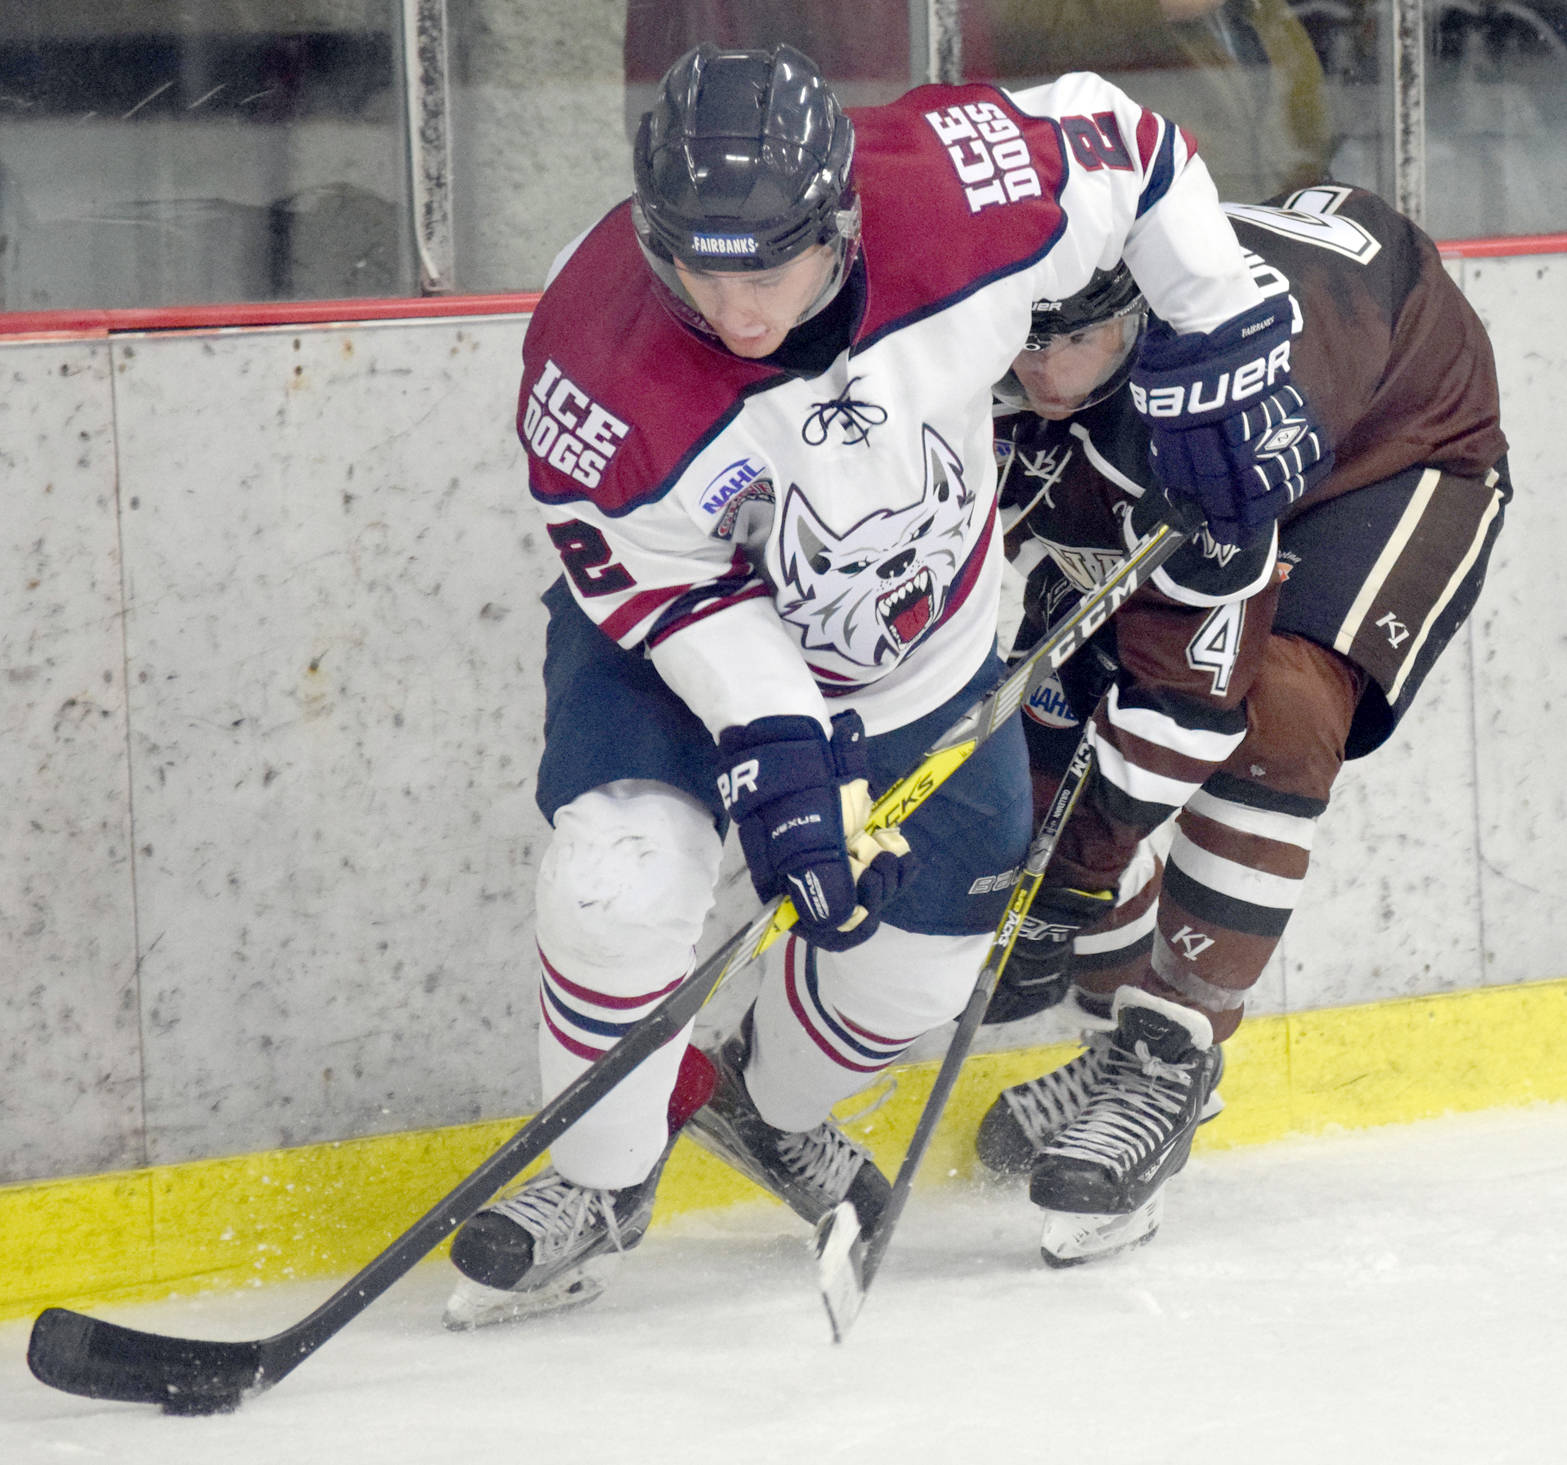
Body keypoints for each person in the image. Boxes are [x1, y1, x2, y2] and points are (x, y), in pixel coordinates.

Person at [442, 41, 1330, 1327]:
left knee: (908, 981)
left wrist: (1219, 317)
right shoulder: (594, 363)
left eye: (777, 270)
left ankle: (765, 1107)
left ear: (841, 218)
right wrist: (774, 741)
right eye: (700, 269)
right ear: (653, 238)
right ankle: (598, 1179)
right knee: (617, 883)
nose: (742, 314)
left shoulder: (957, 194)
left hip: (932, 654)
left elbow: (1127, 147)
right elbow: (663, 584)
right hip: (686, 659)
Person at [971, 183, 1510, 1265]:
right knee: (1060, 698)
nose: (1033, 371)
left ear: (1132, 316)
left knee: (1272, 709)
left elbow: (1187, 695)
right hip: (1241, 405)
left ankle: (1166, 1060)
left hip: (1389, 446)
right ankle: (1118, 1040)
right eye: (1017, 340)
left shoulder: (1220, 399)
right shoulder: (995, 354)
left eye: (1065, 341)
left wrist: (1068, 878)